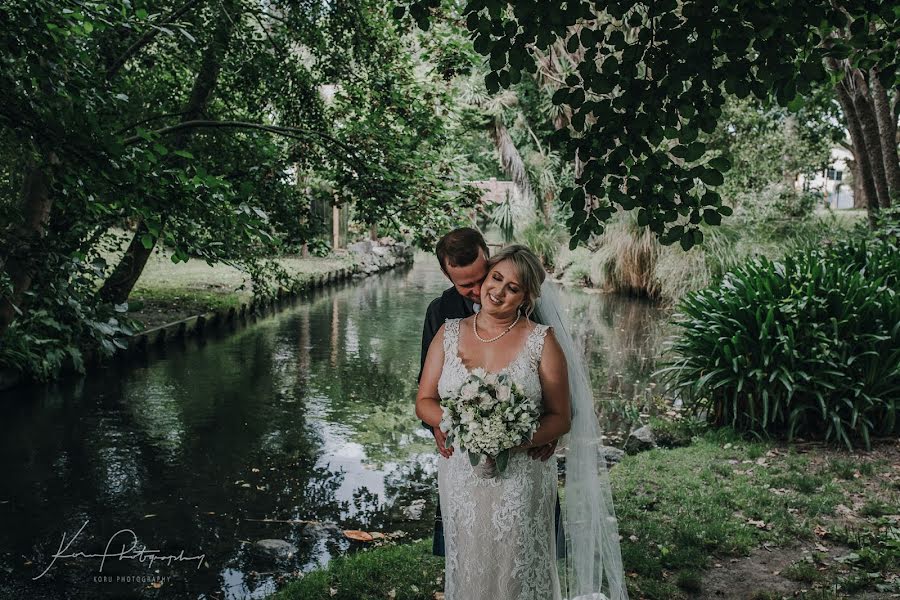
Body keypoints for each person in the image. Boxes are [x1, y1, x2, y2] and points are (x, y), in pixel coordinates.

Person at [417, 242, 629, 600]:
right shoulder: (447, 330)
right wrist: (462, 424)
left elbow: (561, 417)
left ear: (526, 297)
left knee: (517, 567)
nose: (498, 291)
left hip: (520, 477)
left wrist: (505, 437)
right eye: (496, 279)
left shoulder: (542, 342)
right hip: (461, 477)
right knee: (466, 562)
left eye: (512, 288)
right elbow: (424, 401)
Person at [419, 229, 558, 558]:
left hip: (523, 453)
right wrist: (438, 425)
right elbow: (425, 386)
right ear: (445, 273)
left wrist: (550, 431)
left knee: (520, 555)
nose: (479, 291)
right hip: (462, 450)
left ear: (489, 258)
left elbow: (557, 381)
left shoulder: (525, 303)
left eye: (480, 278)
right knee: (468, 554)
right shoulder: (440, 312)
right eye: (464, 285)